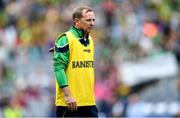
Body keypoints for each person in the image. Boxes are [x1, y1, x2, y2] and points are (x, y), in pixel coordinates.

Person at [50, 6, 98, 117]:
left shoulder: (90, 40)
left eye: (93, 20)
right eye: (88, 20)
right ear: (76, 21)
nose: (92, 23)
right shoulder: (65, 39)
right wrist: (68, 96)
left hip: (89, 103)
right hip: (70, 104)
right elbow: (58, 69)